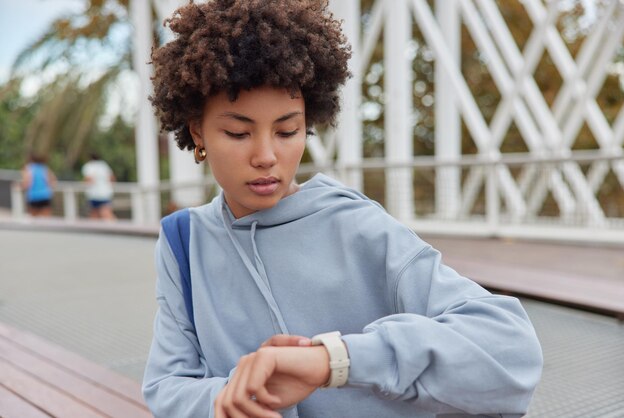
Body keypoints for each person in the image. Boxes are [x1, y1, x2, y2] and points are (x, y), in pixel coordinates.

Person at [142, 1, 543, 417]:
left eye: (287, 131)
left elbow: (511, 348)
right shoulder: (183, 242)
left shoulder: (357, 225)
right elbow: (166, 385)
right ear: (197, 131)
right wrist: (233, 400)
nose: (266, 155)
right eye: (238, 132)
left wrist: (332, 360)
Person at [81, 153, 116, 220]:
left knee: (95, 213)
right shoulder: (104, 165)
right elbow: (112, 178)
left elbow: (88, 179)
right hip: (106, 193)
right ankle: (115, 227)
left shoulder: (89, 166)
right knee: (106, 213)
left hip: (94, 194)